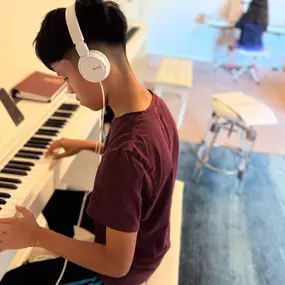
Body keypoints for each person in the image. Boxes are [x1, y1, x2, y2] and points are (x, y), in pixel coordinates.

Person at [0, 1, 179, 285]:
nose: (69, 89)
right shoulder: (152, 107)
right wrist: (88, 146)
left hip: (123, 271)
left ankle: (68, 260)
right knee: (54, 201)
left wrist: (35, 236)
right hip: (148, 239)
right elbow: (146, 167)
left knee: (13, 281)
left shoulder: (126, 155)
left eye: (66, 77)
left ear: (94, 67)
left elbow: (116, 264)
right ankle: (64, 252)